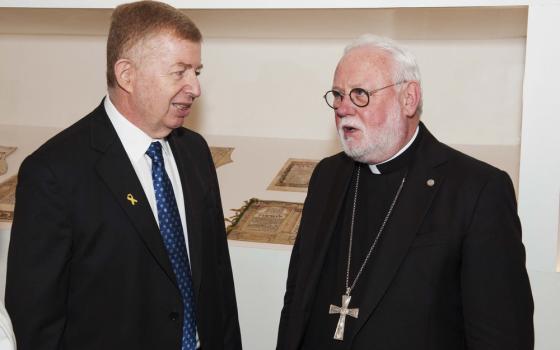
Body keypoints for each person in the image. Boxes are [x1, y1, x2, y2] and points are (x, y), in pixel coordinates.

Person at [5, 1, 241, 349]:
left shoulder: (194, 153)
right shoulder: (54, 173)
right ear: (127, 75)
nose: (195, 87)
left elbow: (219, 284)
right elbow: (36, 319)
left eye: (197, 72)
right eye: (179, 72)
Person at [277, 34, 534, 350]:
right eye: (338, 95)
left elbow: (502, 337)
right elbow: (296, 301)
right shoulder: (327, 176)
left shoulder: (477, 190)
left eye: (360, 94)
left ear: (409, 98)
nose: (343, 108)